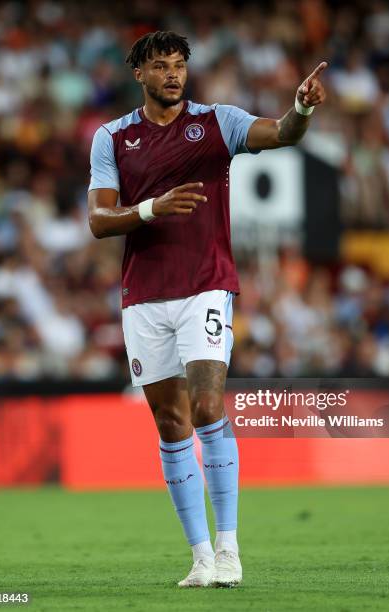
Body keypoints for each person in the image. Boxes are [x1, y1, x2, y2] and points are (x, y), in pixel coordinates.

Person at [88, 31, 327, 588]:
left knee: (206, 405)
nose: (173, 74)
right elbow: (99, 220)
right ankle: (199, 556)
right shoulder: (114, 138)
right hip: (143, 296)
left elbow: (282, 134)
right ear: (140, 75)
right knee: (170, 425)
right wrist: (151, 208)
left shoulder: (218, 122)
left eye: (179, 65)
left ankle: (229, 546)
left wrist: (300, 108)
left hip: (205, 286)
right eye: (161, 67)